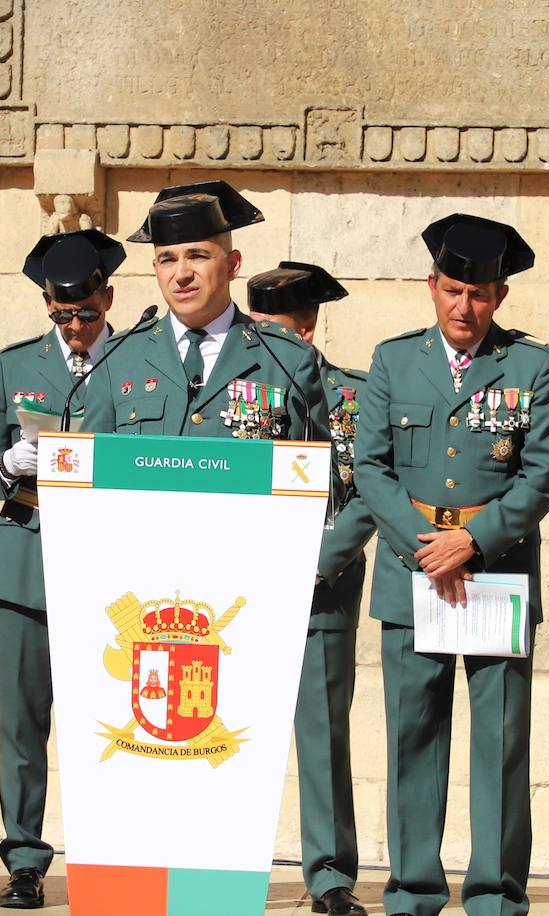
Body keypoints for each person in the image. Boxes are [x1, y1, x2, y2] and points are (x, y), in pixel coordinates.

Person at [353, 214, 549, 916]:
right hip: (410, 570)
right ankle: (413, 890)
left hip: (495, 573)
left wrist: (472, 543)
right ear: (431, 287)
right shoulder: (393, 361)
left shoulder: (532, 366)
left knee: (500, 744)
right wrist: (428, 545)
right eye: (451, 291)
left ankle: (496, 895)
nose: (463, 308)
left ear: (499, 296)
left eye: (478, 294)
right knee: (413, 736)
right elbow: (370, 468)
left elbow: (542, 476)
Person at [0, 228, 125, 909]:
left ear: (108, 298)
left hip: (106, 572)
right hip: (26, 567)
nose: (76, 328)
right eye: (62, 316)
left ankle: (108, 859)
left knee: (109, 728)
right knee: (23, 727)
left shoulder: (137, 361)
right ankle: (25, 862)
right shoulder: (14, 366)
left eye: (87, 313)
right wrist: (7, 464)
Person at [247, 262, 376, 916]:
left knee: (323, 734)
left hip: (320, 587)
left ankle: (329, 875)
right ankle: (218, 862)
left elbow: (367, 492)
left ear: (307, 325)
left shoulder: (350, 395)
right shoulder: (231, 390)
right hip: (236, 588)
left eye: (273, 329)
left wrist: (312, 560)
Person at [81, 180, 328, 441]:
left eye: (197, 256)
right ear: (156, 268)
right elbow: (88, 466)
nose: (182, 274)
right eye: (168, 260)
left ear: (233, 265)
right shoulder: (118, 357)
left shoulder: (285, 358)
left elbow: (318, 474)